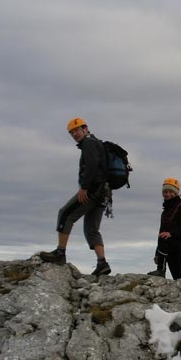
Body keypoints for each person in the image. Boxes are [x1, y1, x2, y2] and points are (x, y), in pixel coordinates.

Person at [40, 117, 111, 276]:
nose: (74, 134)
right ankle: (102, 263)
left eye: (77, 130)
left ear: (85, 129)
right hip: (104, 192)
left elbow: (92, 166)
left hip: (93, 190)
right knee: (92, 229)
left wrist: (84, 187)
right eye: (71, 133)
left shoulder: (88, 143)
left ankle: (60, 253)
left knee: (65, 214)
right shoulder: (96, 142)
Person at [148, 177, 181, 279]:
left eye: (170, 192)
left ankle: (161, 270)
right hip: (168, 245)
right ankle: (161, 270)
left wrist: (171, 234)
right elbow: (161, 232)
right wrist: (157, 253)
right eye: (165, 192)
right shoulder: (165, 212)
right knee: (178, 278)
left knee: (165, 238)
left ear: (175, 193)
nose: (167, 194)